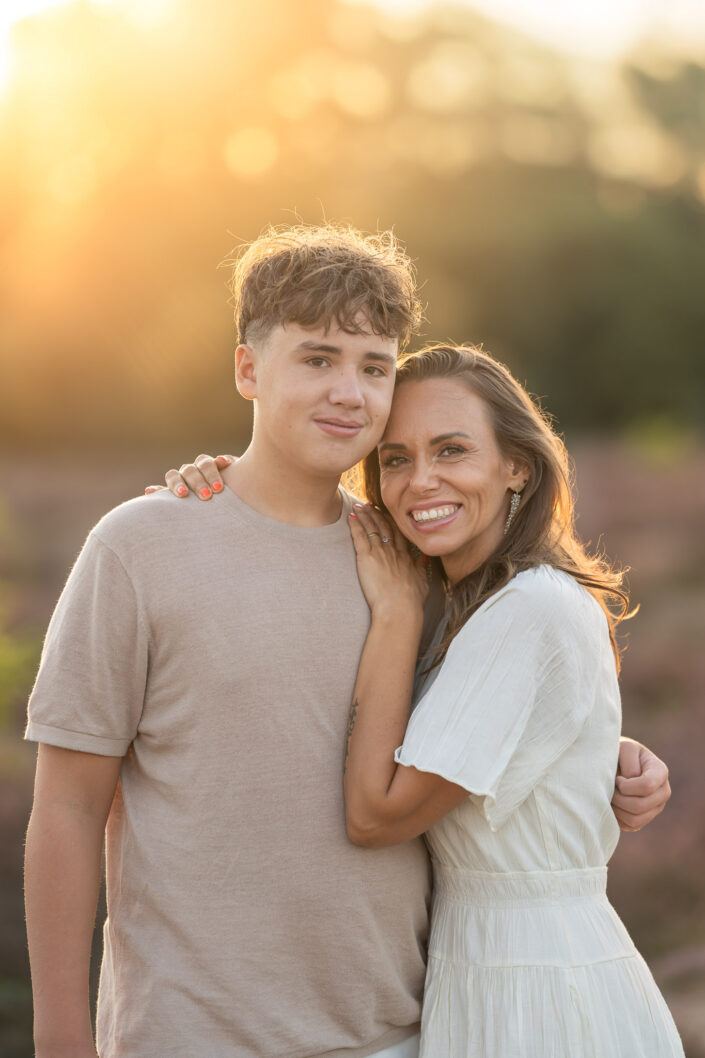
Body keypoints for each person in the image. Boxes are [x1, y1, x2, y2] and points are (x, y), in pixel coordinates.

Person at [24, 223, 670, 1058]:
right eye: (317, 357)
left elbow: (483, 710)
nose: (349, 391)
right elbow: (69, 805)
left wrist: (604, 751)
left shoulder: (412, 559)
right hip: (188, 1036)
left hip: (404, 1032)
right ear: (248, 369)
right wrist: (60, 1039)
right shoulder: (142, 546)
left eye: (374, 366)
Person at [340, 343, 685, 1056]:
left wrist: (397, 617)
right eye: (395, 458)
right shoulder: (469, 606)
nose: (418, 481)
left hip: (538, 989)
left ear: (516, 467)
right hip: (486, 970)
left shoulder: (527, 612)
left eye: (452, 450)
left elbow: (376, 817)